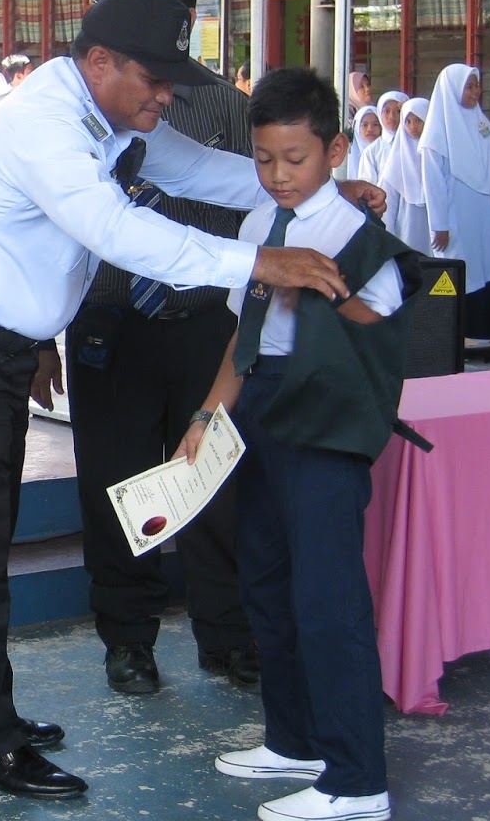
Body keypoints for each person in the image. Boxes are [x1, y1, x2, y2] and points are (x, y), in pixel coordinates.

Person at [0, 0, 368, 802]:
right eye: (157, 79)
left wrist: (316, 195)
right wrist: (257, 263)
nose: (168, 96)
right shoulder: (48, 128)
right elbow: (117, 232)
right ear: (99, 62)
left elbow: (206, 170)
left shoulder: (109, 115)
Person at [179, 67, 418, 821]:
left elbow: (382, 336)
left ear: (336, 151)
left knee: (328, 597)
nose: (278, 176)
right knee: (267, 582)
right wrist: (205, 418)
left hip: (327, 415)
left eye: (296, 159)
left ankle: (357, 780)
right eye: (265, 159)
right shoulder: (255, 229)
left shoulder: (356, 233)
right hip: (261, 409)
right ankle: (295, 739)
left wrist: (325, 288)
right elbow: (241, 342)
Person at [64, 0, 259, 698]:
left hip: (199, 324)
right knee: (116, 491)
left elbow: (258, 188)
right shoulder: (81, 116)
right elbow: (84, 232)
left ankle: (228, 639)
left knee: (214, 485)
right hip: (109, 324)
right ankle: (129, 642)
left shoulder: (226, 111)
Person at [421, 64, 490, 345]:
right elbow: (433, 185)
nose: (476, 92)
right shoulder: (436, 136)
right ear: (453, 90)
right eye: (469, 86)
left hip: (486, 216)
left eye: (477, 85)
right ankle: (463, 343)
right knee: (466, 274)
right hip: (457, 217)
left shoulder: (481, 124)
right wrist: (440, 225)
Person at [381, 97, 432, 254]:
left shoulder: (435, 154)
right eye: (408, 121)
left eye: (418, 120)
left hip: (435, 228)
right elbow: (388, 200)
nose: (413, 127)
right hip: (406, 227)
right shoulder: (397, 157)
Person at [346, 106, 381, 180]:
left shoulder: (387, 151)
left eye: (375, 124)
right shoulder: (348, 158)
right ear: (357, 128)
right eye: (364, 125)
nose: (370, 129)